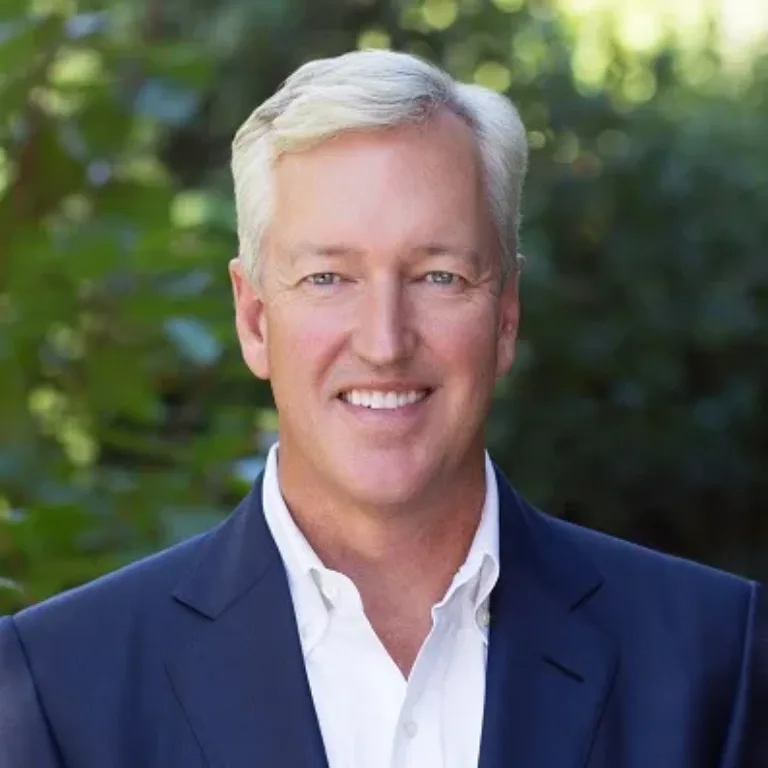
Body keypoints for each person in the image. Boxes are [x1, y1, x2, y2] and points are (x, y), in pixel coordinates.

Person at [0, 49, 765, 768]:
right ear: (255, 320)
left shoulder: (714, 659)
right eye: (329, 278)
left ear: (504, 316)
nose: (385, 341)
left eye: (438, 276)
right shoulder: (61, 686)